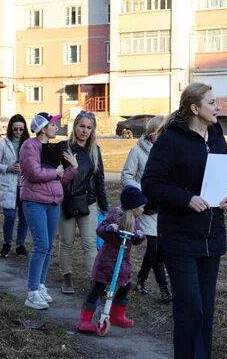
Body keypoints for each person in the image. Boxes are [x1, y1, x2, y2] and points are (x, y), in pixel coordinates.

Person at [142, 82, 227, 359]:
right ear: (195, 108)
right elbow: (150, 185)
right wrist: (185, 198)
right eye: (212, 102)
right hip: (180, 238)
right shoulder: (171, 140)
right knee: (190, 311)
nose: (218, 105)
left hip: (212, 239)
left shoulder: (218, 138)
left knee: (205, 315)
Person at [20, 113, 78, 310]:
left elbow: (59, 180)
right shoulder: (30, 146)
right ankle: (32, 292)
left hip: (53, 200)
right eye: (53, 124)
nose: (56, 127)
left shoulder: (52, 149)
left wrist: (72, 168)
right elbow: (34, 173)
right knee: (41, 245)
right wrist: (56, 172)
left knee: (48, 246)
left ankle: (41, 285)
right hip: (34, 201)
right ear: (43, 128)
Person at [75, 185, 147, 333]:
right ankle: (85, 320)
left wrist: (139, 236)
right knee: (98, 288)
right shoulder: (115, 215)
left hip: (122, 261)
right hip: (107, 261)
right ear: (133, 207)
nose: (143, 210)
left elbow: (137, 237)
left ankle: (116, 315)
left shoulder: (135, 220)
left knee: (126, 284)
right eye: (141, 207)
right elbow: (101, 229)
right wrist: (109, 229)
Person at [120, 115, 171, 303]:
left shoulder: (168, 152)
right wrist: (142, 191)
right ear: (151, 134)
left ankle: (141, 279)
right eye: (159, 133)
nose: (162, 136)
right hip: (146, 207)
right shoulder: (137, 152)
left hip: (163, 206)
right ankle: (164, 288)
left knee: (156, 248)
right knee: (156, 247)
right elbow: (126, 176)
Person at [58, 111, 109, 294]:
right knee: (67, 242)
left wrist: (105, 206)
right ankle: (67, 277)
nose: (84, 131)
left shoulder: (95, 151)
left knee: (90, 243)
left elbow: (99, 179)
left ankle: (94, 280)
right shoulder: (64, 148)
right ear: (75, 126)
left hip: (89, 202)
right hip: (68, 202)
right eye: (82, 126)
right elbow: (57, 176)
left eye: (89, 127)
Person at [0, 114, 30, 258]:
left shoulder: (28, 143)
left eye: (21, 129)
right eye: (15, 129)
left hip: (25, 185)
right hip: (9, 184)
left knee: (24, 216)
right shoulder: (3, 144)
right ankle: (7, 243)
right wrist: (8, 168)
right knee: (10, 216)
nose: (18, 132)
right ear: (10, 129)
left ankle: (20, 244)